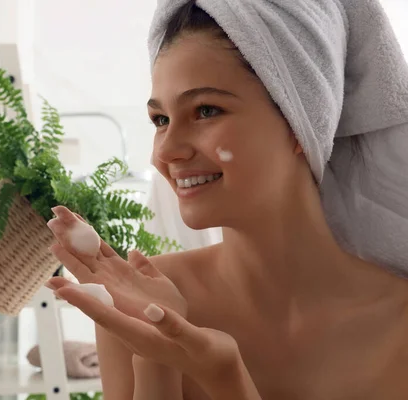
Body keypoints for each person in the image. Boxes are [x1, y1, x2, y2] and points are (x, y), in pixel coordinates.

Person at [44, 1, 408, 399]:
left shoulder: (399, 324)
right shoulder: (142, 303)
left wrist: (224, 376)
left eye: (206, 110)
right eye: (161, 120)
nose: (166, 152)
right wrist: (157, 358)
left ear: (302, 123)